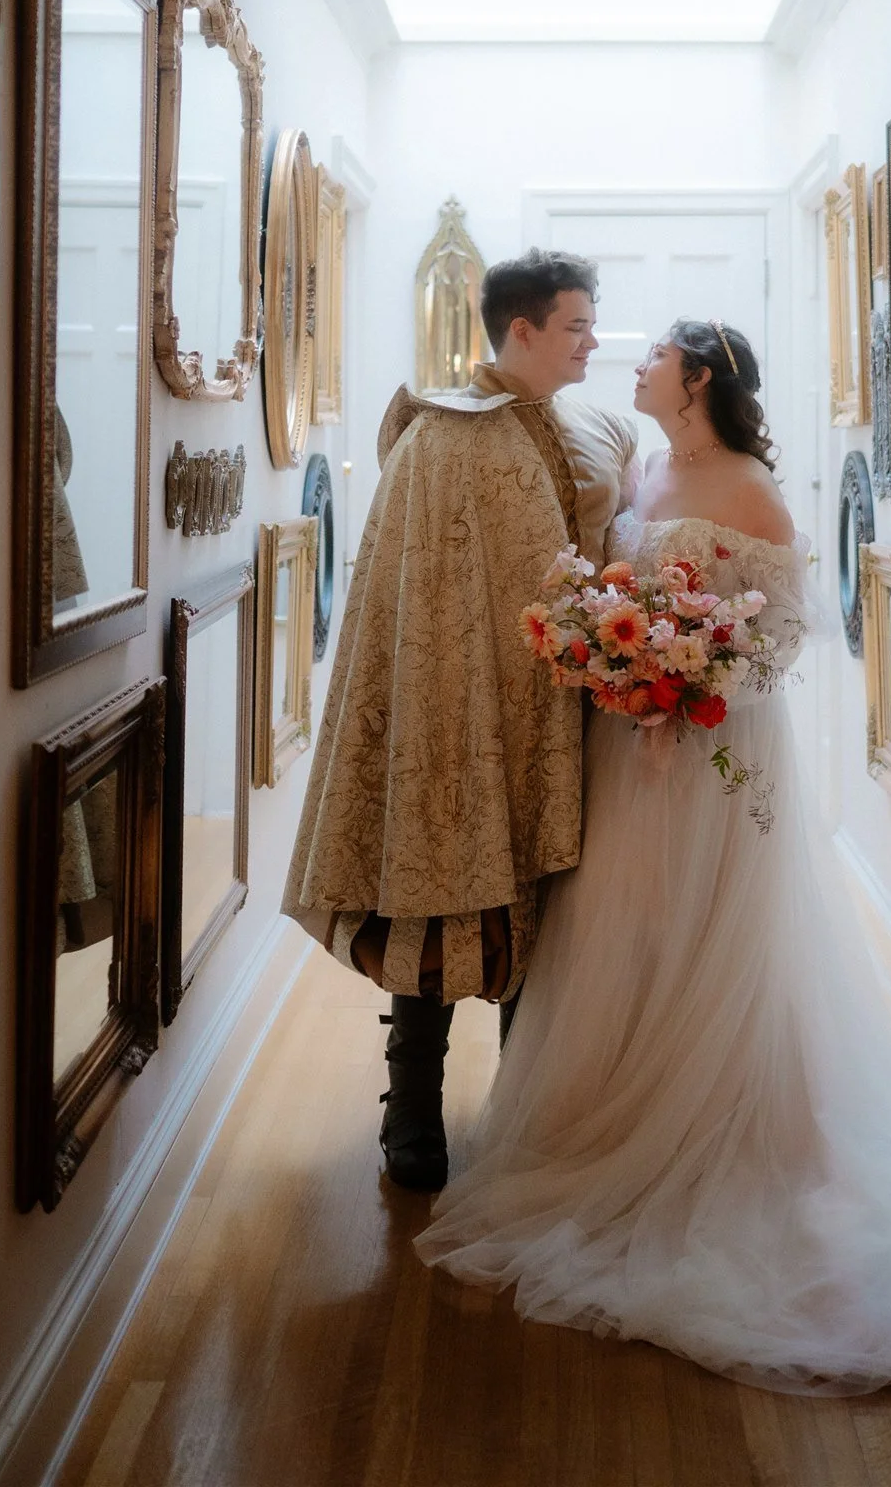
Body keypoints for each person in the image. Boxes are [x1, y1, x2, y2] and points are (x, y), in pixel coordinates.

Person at [415, 318, 891, 1402]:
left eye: (650, 356)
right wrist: (615, 656)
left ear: (695, 378)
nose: (632, 365)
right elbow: (610, 587)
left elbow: (788, 628)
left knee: (706, 928)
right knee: (620, 924)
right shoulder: (641, 465)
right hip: (627, 739)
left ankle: (729, 1130)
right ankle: (606, 1114)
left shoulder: (754, 488)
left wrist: (688, 681)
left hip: (710, 744)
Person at [282, 249, 637, 1190]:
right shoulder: (440, 435)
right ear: (520, 330)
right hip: (450, 710)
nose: (593, 342)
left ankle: (523, 1098)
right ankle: (413, 1106)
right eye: (576, 326)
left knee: (544, 899)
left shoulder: (589, 427)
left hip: (560, 707)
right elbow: (410, 595)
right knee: (435, 886)